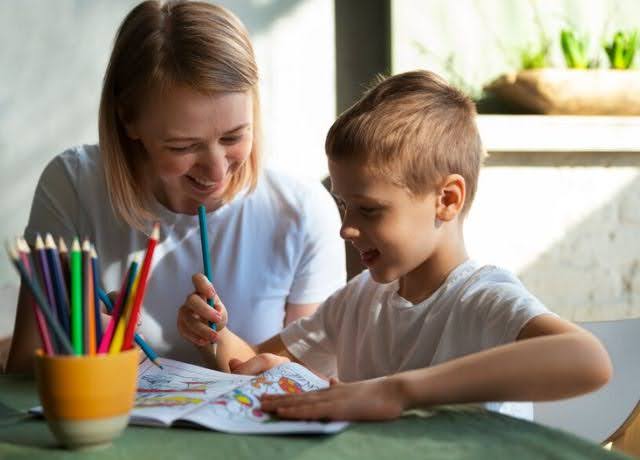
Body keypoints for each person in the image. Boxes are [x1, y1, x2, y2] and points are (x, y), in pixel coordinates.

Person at [178, 70, 612, 421]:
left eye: (369, 210)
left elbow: (588, 360)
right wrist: (214, 335)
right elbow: (254, 360)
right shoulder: (357, 302)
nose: (346, 228)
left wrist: (395, 392)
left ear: (446, 200)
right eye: (344, 205)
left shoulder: (481, 300)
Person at [6, 0, 345, 373]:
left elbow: (314, 384)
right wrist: (80, 349)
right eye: (183, 146)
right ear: (128, 121)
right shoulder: (74, 185)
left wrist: (219, 344)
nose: (216, 170)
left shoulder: (302, 210)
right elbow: (23, 371)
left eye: (234, 137)